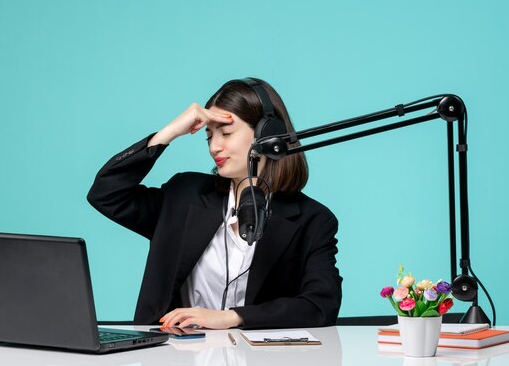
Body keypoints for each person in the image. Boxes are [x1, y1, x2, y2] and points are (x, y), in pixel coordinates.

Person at [87, 78, 342, 330]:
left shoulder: (314, 220)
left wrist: (233, 317)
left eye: (227, 133)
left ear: (268, 135)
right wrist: (169, 133)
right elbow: (106, 193)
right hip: (174, 354)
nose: (214, 147)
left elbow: (320, 306)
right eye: (209, 136)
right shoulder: (183, 196)